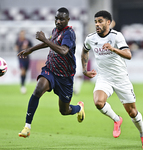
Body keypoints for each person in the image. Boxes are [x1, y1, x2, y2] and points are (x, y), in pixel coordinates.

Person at [81, 10, 143, 149]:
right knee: (98, 102)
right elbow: (84, 50)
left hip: (120, 78)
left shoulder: (116, 36)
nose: (97, 24)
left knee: (132, 112)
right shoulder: (90, 38)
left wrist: (113, 49)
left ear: (108, 22)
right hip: (103, 77)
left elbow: (128, 54)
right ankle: (117, 120)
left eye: (100, 21)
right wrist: (84, 70)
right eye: (95, 22)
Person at [18, 7, 85, 138]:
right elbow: (48, 43)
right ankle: (27, 126)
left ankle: (79, 108)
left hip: (65, 77)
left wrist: (45, 40)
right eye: (56, 18)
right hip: (51, 70)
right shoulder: (55, 31)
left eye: (61, 19)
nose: (58, 21)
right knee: (38, 90)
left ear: (68, 20)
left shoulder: (69, 33)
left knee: (64, 111)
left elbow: (63, 50)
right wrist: (31, 49)